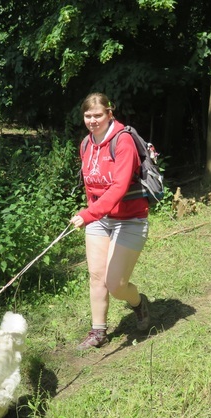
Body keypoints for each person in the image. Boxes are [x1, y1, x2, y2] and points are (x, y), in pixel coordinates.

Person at [70, 93, 151, 350]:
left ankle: (138, 303)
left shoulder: (122, 141)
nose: (92, 121)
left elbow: (118, 187)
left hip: (130, 219)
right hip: (99, 218)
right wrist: (93, 213)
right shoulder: (86, 144)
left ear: (109, 114)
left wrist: (87, 214)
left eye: (97, 115)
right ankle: (98, 331)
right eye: (88, 116)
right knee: (96, 276)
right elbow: (90, 185)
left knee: (115, 284)